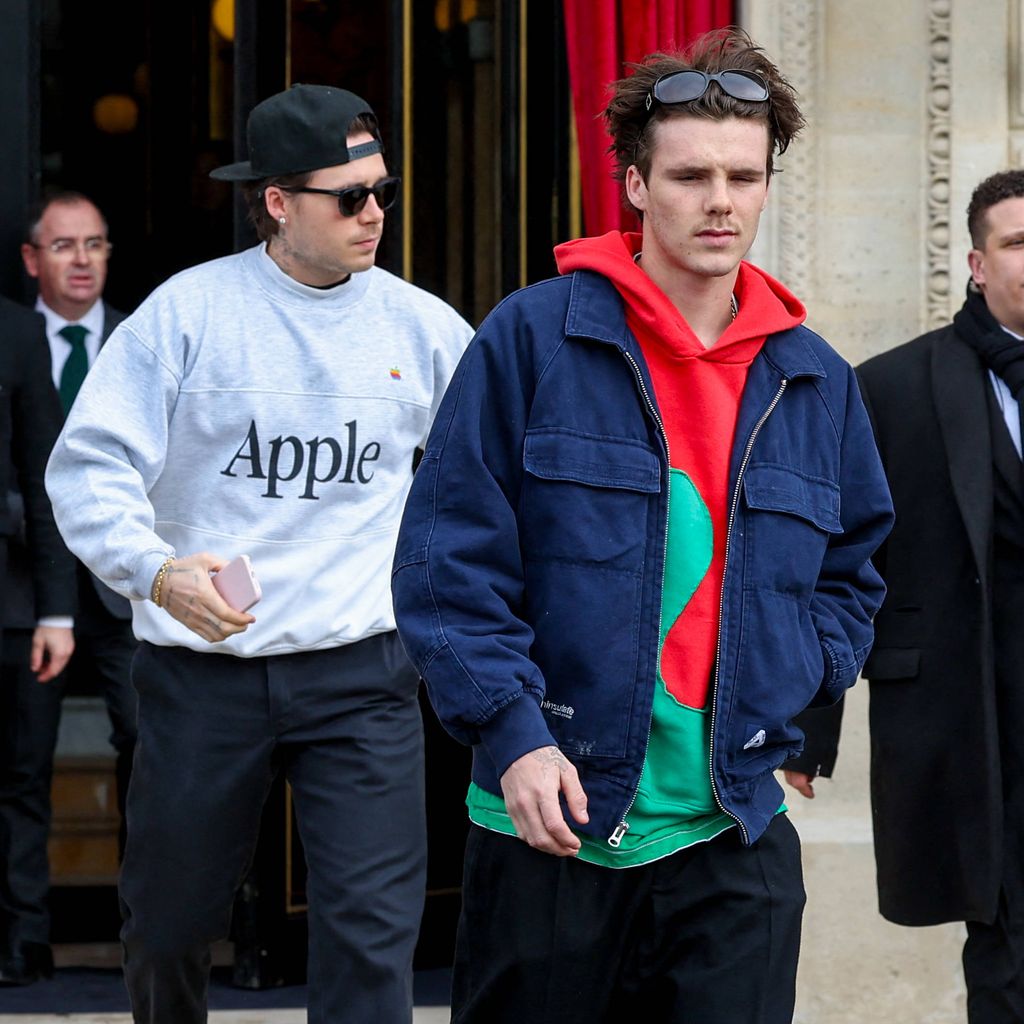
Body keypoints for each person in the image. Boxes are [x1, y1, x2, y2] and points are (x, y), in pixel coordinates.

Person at [392, 27, 893, 1024]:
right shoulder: (534, 337)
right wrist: (513, 732)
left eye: (744, 177)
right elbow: (449, 563)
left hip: (732, 831)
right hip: (552, 823)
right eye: (691, 174)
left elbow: (856, 569)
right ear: (633, 184)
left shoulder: (814, 378)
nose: (720, 200)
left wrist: (795, 685)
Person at [45, 84, 473, 1024]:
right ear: (277, 201)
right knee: (167, 926)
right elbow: (88, 467)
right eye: (348, 197)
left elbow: (484, 488)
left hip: (361, 673)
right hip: (205, 675)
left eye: (383, 191)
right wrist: (155, 570)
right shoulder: (187, 315)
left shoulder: (426, 329)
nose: (375, 214)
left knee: (372, 936)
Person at [784, 168, 1024, 1024]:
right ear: (976, 262)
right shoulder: (891, 386)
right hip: (974, 715)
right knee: (1004, 945)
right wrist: (807, 727)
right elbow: (835, 559)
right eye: (1017, 242)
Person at [0, 193, 135, 987]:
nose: (81, 260)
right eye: (63, 246)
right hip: (30, 592)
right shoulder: (17, 342)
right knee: (21, 770)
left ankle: (142, 930)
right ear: (32, 260)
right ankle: (26, 938)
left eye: (95, 244)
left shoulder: (142, 339)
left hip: (127, 592)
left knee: (148, 753)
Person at [0, 295, 77, 987]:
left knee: (20, 781)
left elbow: (42, 474)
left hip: (14, 605)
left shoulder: (17, 333)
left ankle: (23, 939)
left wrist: (58, 612)